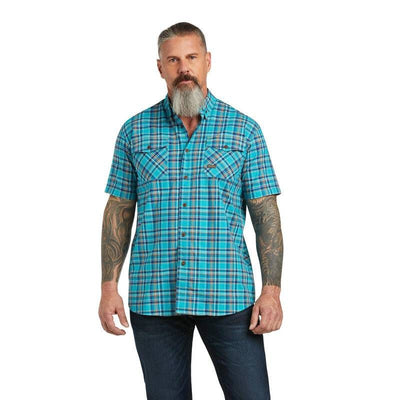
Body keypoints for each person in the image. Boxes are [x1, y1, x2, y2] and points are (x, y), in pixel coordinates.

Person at [99, 21, 284, 400]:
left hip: (228, 296)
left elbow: (266, 216)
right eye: (173, 60)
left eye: (192, 57)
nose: (184, 68)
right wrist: (108, 288)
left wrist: (271, 291)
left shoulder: (244, 131)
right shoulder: (134, 131)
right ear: (160, 67)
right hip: (154, 297)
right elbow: (118, 210)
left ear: (208, 61)